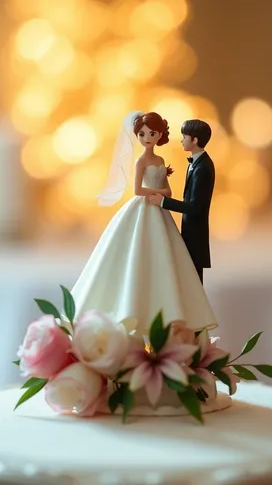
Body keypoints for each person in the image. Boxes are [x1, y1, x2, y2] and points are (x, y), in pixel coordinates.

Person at [71, 112, 217, 334]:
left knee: (165, 255)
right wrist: (160, 196)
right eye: (141, 134)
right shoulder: (141, 161)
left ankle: (178, 318)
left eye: (151, 133)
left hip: (161, 210)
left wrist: (163, 198)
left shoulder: (161, 161)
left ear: (159, 134)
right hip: (144, 208)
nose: (147, 138)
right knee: (137, 251)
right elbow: (137, 190)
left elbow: (169, 190)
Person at [149, 119, 215, 284]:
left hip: (196, 234)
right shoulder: (195, 164)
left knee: (193, 280)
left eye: (184, 136)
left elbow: (195, 207)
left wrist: (164, 202)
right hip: (189, 230)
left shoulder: (203, 167)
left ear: (195, 140)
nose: (181, 140)